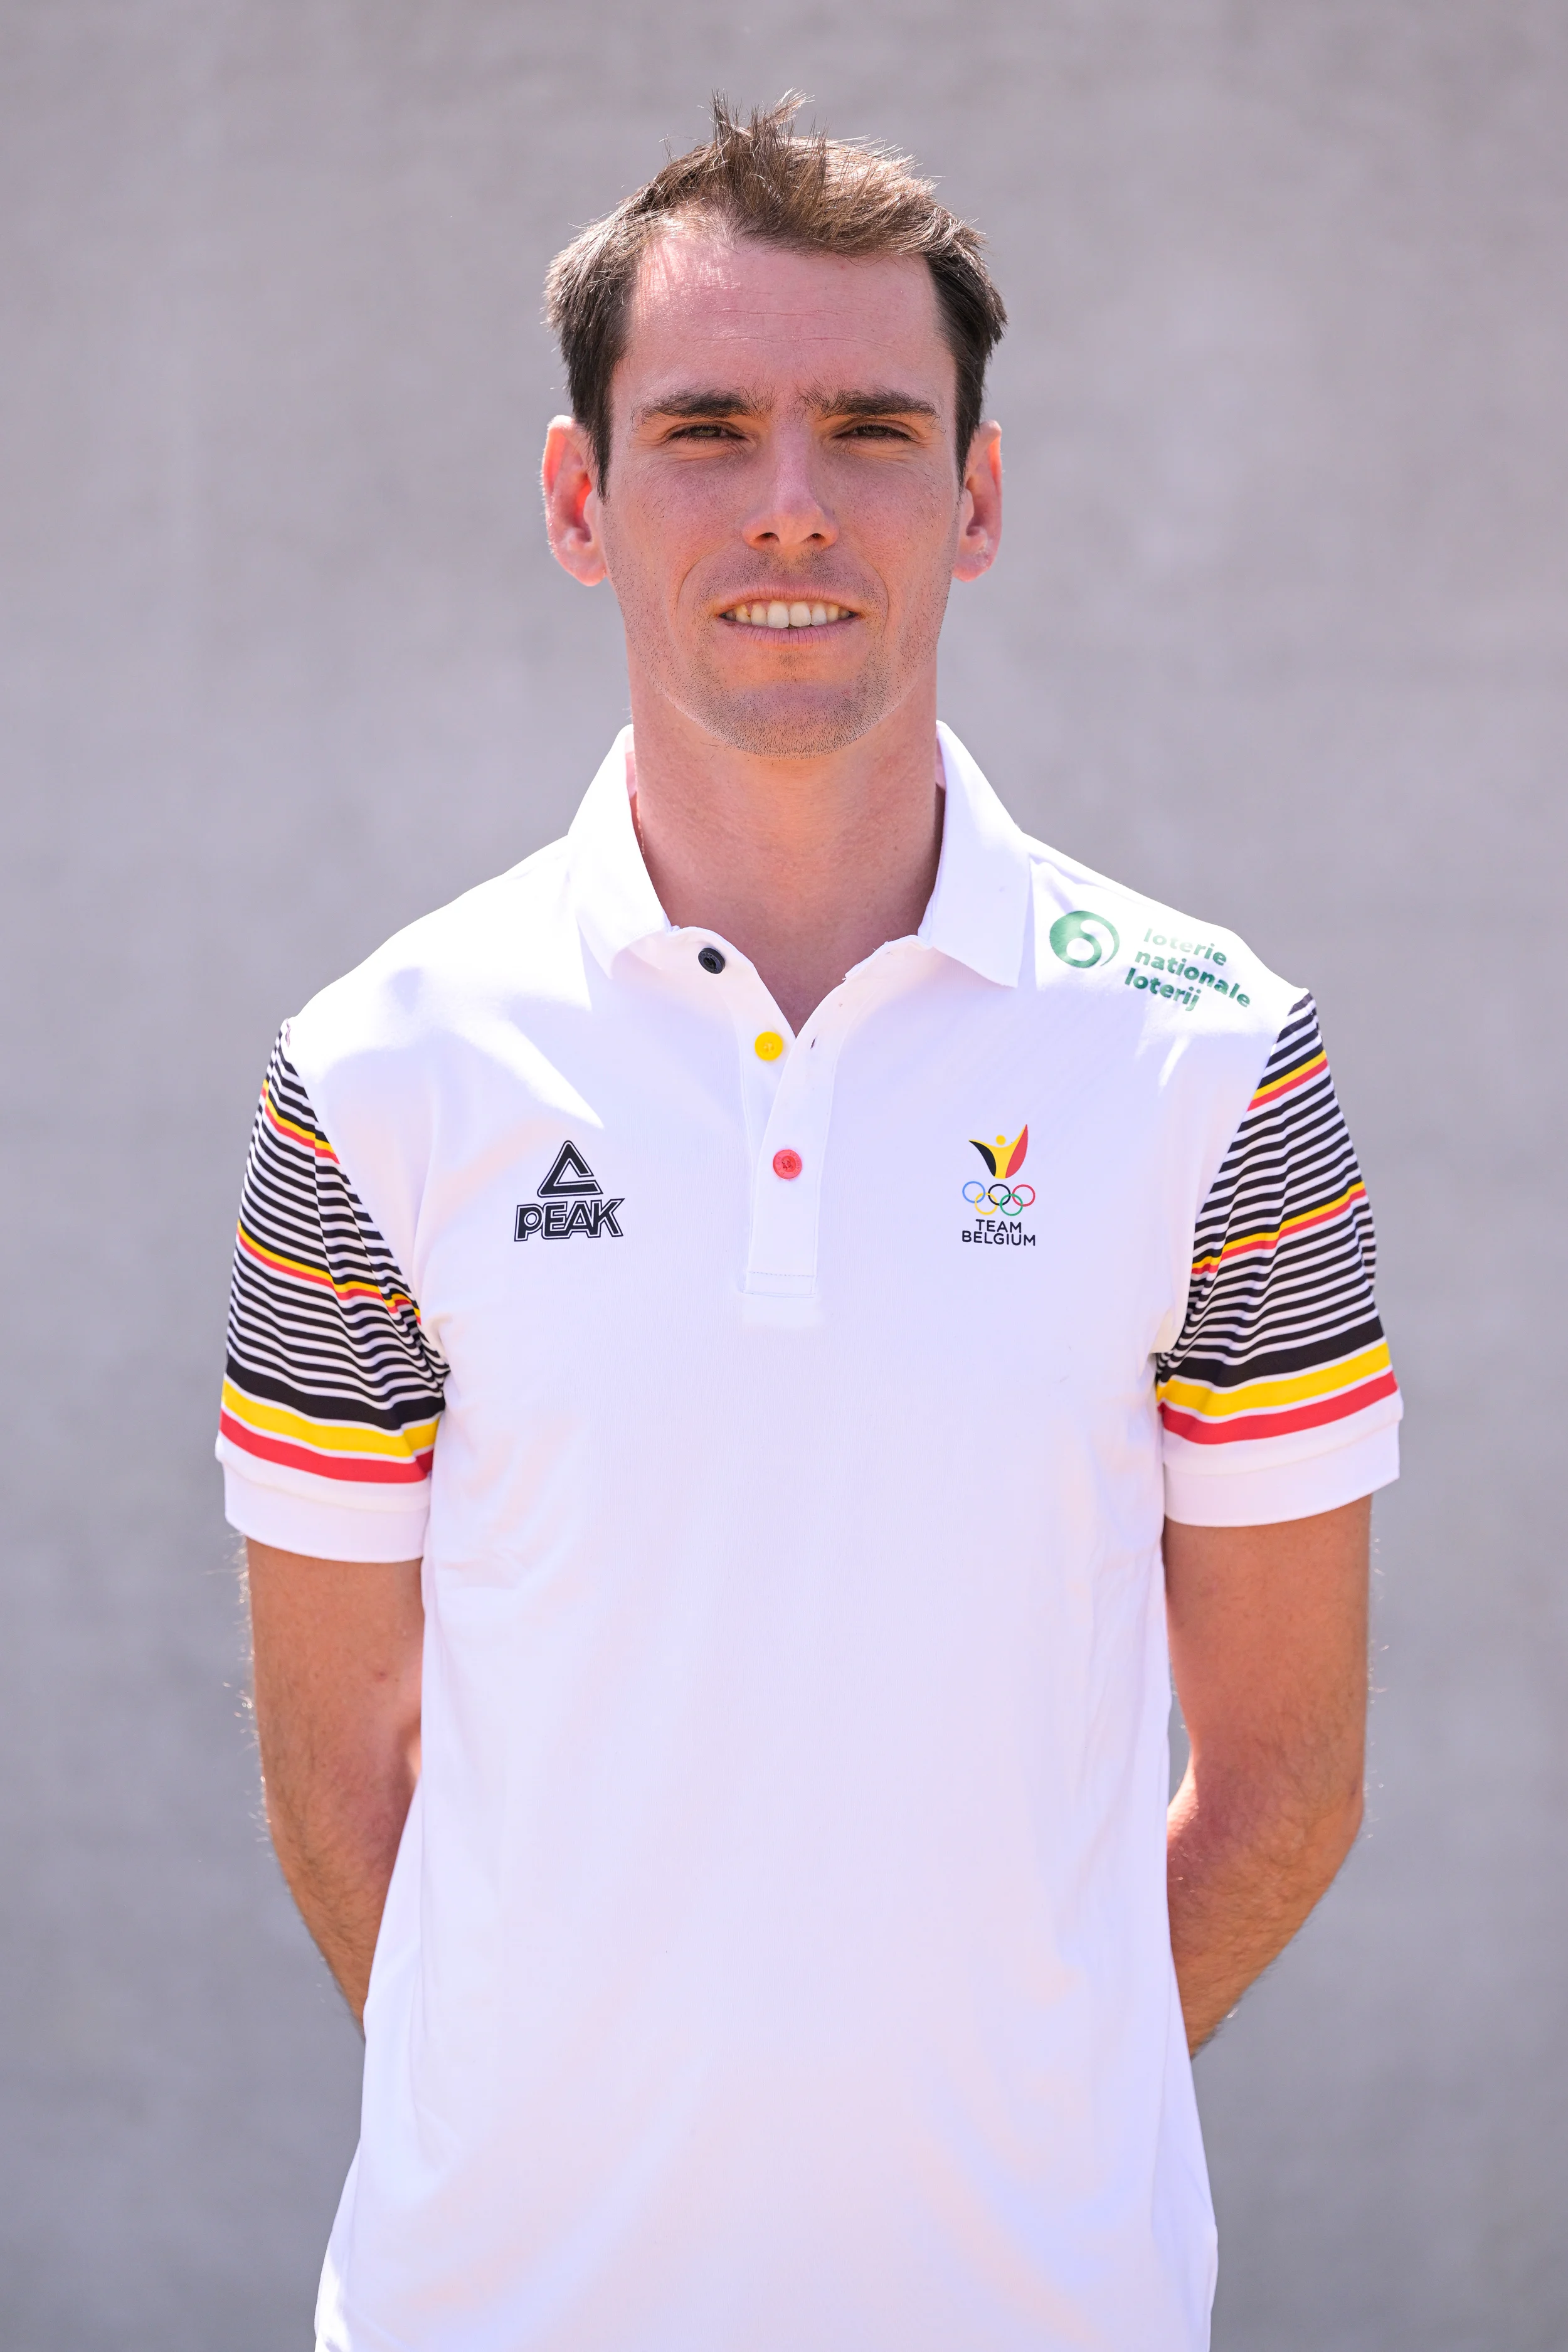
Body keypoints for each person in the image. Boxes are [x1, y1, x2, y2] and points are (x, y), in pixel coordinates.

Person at [219, 96, 1401, 2352]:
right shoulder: (375, 1071)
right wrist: (570, 2130)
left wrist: (1016, 2126)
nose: (788, 500)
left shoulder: (1214, 1061)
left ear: (974, 500)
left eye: (871, 429)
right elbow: (333, 1777)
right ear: (580, 500)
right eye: (702, 429)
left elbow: (1285, 1778)